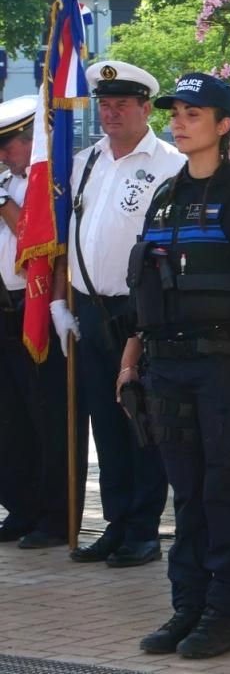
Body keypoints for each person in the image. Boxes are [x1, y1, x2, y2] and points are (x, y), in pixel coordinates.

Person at [119, 72, 230, 658]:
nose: (179, 121)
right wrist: (131, 358)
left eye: (194, 114)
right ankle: (186, 608)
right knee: (185, 493)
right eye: (176, 113)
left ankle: (224, 614)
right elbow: (149, 286)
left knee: (222, 489)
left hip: (225, 366)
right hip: (166, 367)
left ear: (223, 126)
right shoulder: (165, 195)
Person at [57, 61, 183, 567]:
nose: (110, 114)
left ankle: (145, 528)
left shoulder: (169, 164)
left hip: (140, 309)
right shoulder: (86, 161)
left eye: (121, 105)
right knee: (105, 421)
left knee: (140, 416)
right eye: (104, 105)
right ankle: (116, 521)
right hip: (89, 305)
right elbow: (70, 231)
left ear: (145, 109)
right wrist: (58, 301)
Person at [0, 95, 70, 549]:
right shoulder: (8, 181)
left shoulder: (46, 186)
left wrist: (3, 203)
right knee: (10, 421)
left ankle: (54, 513)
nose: (4, 154)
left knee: (46, 416)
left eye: (11, 144)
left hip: (36, 307)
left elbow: (36, 249)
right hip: (3, 308)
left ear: (35, 140)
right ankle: (20, 506)